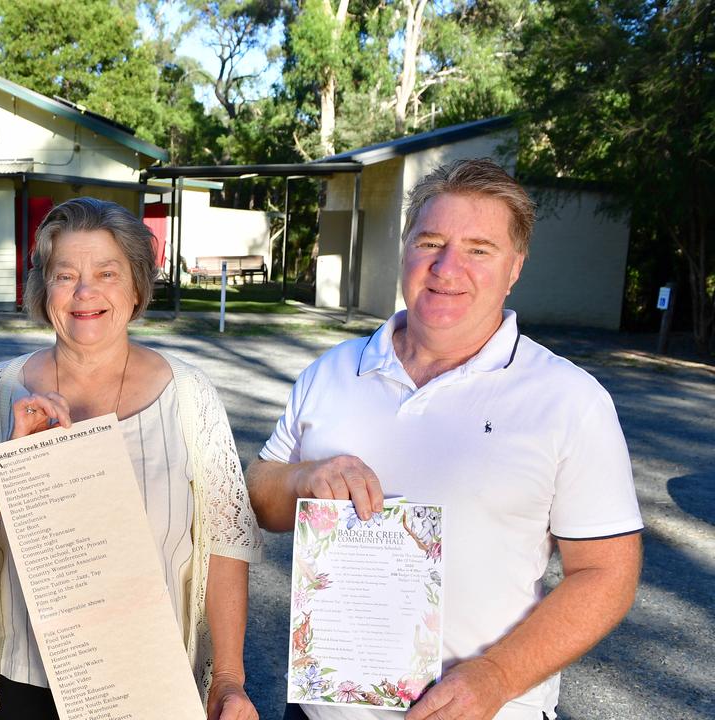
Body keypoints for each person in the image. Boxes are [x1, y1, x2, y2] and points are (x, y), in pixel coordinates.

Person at [249, 158, 643, 720]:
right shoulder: (331, 372)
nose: (447, 267)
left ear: (515, 268)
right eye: (430, 241)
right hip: (321, 709)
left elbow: (606, 575)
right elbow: (261, 495)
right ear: (406, 249)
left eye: (479, 249)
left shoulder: (568, 400)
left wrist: (498, 675)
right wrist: (303, 479)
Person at [0, 197, 263, 720]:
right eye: (66, 275)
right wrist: (8, 464)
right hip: (21, 687)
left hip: (146, 684)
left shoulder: (190, 396)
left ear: (136, 286)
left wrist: (228, 679)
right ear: (44, 290)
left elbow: (226, 546)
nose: (85, 293)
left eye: (107, 272)